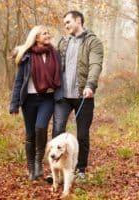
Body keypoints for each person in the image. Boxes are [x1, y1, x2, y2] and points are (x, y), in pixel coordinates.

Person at [52, 10, 104, 180]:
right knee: (58, 131)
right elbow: (51, 59)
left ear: (78, 20)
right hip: (63, 97)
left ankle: (80, 170)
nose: (66, 26)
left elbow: (95, 65)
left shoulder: (93, 42)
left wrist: (90, 85)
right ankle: (57, 170)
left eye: (68, 22)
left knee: (82, 134)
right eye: (64, 23)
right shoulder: (63, 41)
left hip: (84, 96)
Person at [9, 25, 61, 180]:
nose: (48, 35)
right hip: (29, 100)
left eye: (48, 32)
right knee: (30, 134)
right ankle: (31, 168)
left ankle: (38, 162)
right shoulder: (27, 56)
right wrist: (14, 104)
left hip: (47, 98)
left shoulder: (54, 53)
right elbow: (19, 81)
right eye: (44, 33)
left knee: (41, 127)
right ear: (36, 37)